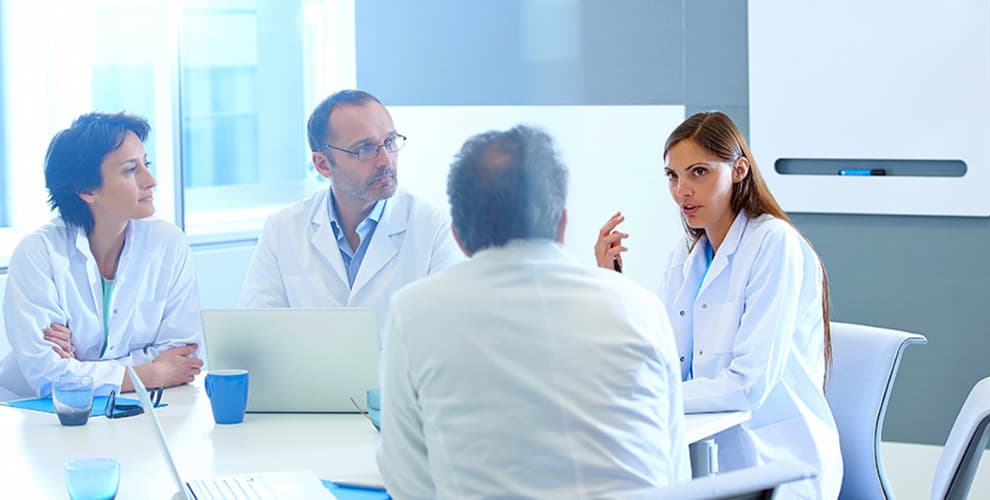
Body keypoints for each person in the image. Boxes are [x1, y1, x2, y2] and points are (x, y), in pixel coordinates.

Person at [379, 125, 689, 498]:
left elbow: (408, 480)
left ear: (458, 236)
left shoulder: (413, 312)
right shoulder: (640, 307)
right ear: (562, 224)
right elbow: (673, 469)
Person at [594, 112, 842, 498]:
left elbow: (747, 386)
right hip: (705, 453)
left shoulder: (775, 244)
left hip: (776, 465)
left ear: (739, 169)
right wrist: (612, 285)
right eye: (673, 176)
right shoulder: (687, 254)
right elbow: (661, 358)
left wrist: (653, 396)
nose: (682, 191)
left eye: (698, 172)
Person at [0, 112, 203, 401]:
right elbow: (48, 376)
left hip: (133, 409)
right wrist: (152, 373)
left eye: (146, 164)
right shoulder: (38, 253)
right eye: (131, 170)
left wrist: (81, 367)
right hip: (35, 414)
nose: (152, 180)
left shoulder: (168, 243)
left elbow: (181, 356)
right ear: (87, 190)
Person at [238, 90, 461, 320]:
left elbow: (447, 334)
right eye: (364, 149)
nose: (385, 160)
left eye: (390, 142)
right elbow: (257, 332)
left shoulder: (434, 228)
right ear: (323, 164)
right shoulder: (282, 230)